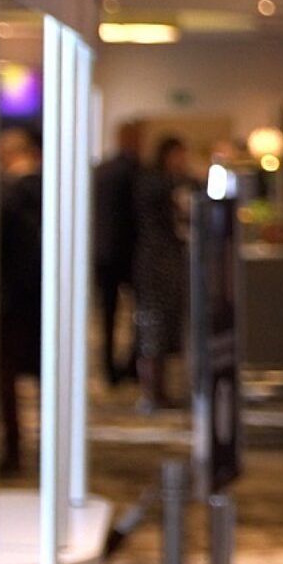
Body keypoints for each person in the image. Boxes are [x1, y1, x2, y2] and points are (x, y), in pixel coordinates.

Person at [0, 126, 44, 476]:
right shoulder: (52, 188)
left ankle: (14, 450)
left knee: (6, 377)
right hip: (44, 294)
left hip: (9, 300)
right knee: (47, 373)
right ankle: (49, 447)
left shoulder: (6, 196)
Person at [132, 135, 192, 412]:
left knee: (160, 327)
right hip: (155, 263)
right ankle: (152, 392)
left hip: (160, 261)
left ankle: (157, 391)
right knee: (153, 326)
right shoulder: (158, 185)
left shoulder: (157, 183)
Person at [93, 119, 143, 385]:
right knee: (140, 311)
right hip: (129, 251)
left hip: (102, 252)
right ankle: (131, 364)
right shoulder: (135, 171)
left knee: (107, 314)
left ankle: (109, 367)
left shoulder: (101, 171)